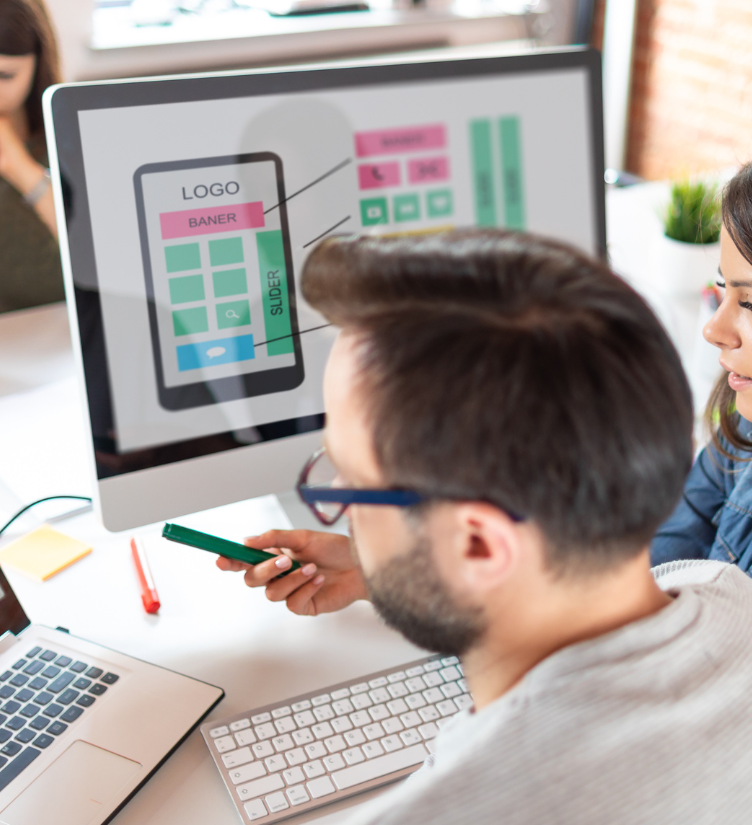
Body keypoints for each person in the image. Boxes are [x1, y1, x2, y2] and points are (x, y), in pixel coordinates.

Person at [219, 229, 752, 823]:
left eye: (349, 477)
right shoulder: (725, 590)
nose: (343, 501)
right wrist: (408, 562)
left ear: (477, 543)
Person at [651, 161, 752, 569]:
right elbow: (684, 524)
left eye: (749, 302)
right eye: (723, 289)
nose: (714, 330)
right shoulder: (743, 422)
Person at [0, 0, 64, 313]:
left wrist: (22, 171)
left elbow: (97, 257)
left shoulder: (65, 134)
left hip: (60, 325)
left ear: (38, 62)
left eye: (5, 75)